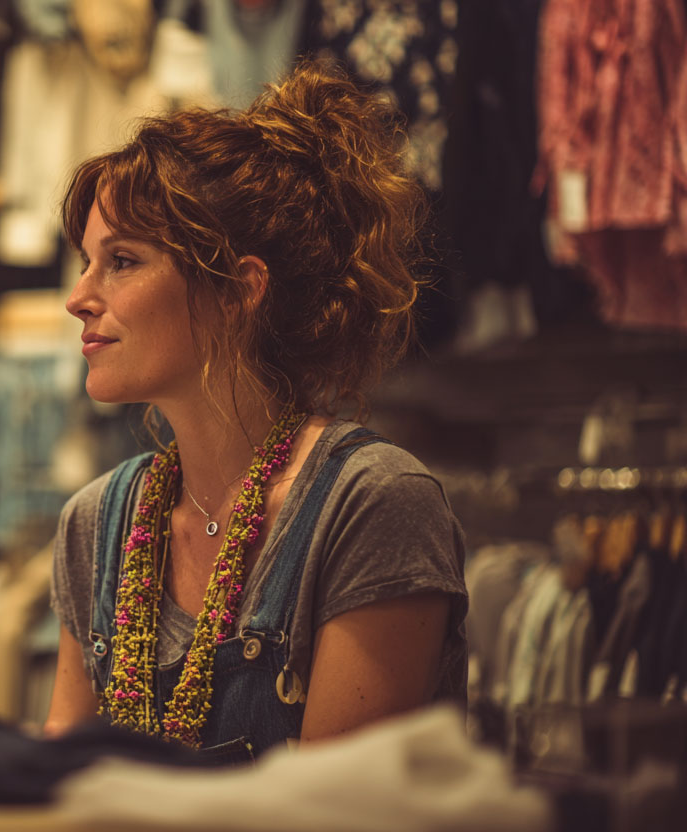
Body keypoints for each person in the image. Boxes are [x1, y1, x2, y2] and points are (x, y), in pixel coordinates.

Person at [45, 60, 468, 759]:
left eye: (121, 261)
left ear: (240, 289)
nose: (79, 297)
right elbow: (51, 790)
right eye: (86, 262)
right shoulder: (95, 524)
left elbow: (331, 812)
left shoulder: (371, 505)